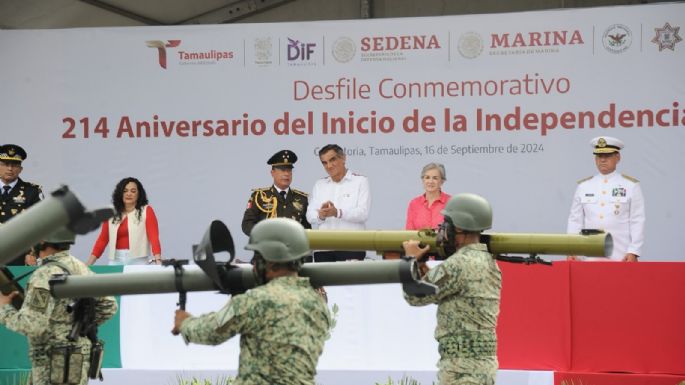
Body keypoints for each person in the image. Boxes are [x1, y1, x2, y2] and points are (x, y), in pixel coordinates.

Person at [172, 218, 331, 385]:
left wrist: (185, 323)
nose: (253, 265)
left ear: (270, 262)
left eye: (257, 258)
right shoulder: (318, 303)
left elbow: (211, 331)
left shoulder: (256, 301)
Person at [402, 193, 501, 385]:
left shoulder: (459, 264)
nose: (442, 230)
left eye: (446, 224)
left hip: (461, 370)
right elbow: (439, 290)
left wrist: (410, 260)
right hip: (480, 366)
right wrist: (421, 265)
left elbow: (414, 296)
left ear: (459, 228)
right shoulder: (489, 262)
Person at [0, 228, 118, 385]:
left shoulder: (44, 274)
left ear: (42, 241)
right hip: (76, 361)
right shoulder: (79, 267)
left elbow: (33, 325)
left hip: (52, 363)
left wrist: (4, 309)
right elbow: (109, 305)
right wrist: (76, 327)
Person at [567, 136, 645, 262]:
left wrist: (633, 251)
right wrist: (572, 249)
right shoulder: (584, 186)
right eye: (599, 156)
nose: (602, 160)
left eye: (607, 156)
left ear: (618, 157)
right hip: (589, 255)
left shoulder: (631, 185)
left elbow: (637, 220)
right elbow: (575, 221)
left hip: (620, 254)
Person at [306, 144, 371, 262]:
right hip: (324, 248)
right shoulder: (319, 184)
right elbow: (310, 216)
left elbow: (363, 213)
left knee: (349, 281)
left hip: (351, 247)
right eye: (324, 162)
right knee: (323, 281)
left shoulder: (360, 181)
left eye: (332, 160)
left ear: (343, 158)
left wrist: (337, 212)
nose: (329, 166)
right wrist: (321, 215)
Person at [87, 177, 162, 265]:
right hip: (116, 259)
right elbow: (102, 240)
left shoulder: (146, 210)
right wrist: (88, 264)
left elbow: (154, 237)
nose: (128, 194)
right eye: (125, 191)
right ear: (120, 194)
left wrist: (158, 260)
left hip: (138, 260)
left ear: (139, 194)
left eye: (133, 191)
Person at [241, 149, 310, 236]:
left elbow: (307, 228)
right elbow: (247, 224)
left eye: (289, 170)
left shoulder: (301, 198)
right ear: (272, 173)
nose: (286, 174)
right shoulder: (259, 196)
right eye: (282, 170)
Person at [0, 144, 43, 266]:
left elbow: (40, 226)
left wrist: (32, 253)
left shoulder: (31, 192)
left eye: (14, 165)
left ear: (20, 169)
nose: (10, 169)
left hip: (18, 256)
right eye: (5, 164)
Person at [405, 162, 451, 230]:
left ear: (442, 181)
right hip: (417, 241)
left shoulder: (451, 203)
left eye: (435, 178)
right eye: (427, 177)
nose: (430, 181)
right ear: (423, 180)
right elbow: (409, 232)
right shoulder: (414, 203)